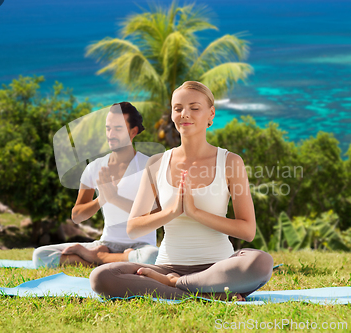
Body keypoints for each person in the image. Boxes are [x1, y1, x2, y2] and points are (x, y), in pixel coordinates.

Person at [89, 82, 274, 301]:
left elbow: (247, 230)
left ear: (210, 114)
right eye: (177, 108)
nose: (184, 114)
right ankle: (209, 295)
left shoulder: (231, 162)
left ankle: (178, 286)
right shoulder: (157, 163)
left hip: (218, 269)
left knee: (261, 262)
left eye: (194, 108)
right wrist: (172, 212)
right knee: (101, 276)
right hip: (166, 267)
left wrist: (195, 212)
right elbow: (134, 228)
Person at [32, 102, 158, 268]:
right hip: (106, 243)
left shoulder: (149, 166)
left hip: (140, 247)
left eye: (118, 129)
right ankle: (106, 258)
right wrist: (102, 200)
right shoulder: (94, 167)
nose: (111, 134)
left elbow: (157, 214)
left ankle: (97, 259)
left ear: (133, 132)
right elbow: (77, 216)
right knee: (40, 256)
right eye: (108, 128)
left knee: (152, 257)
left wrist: (115, 198)